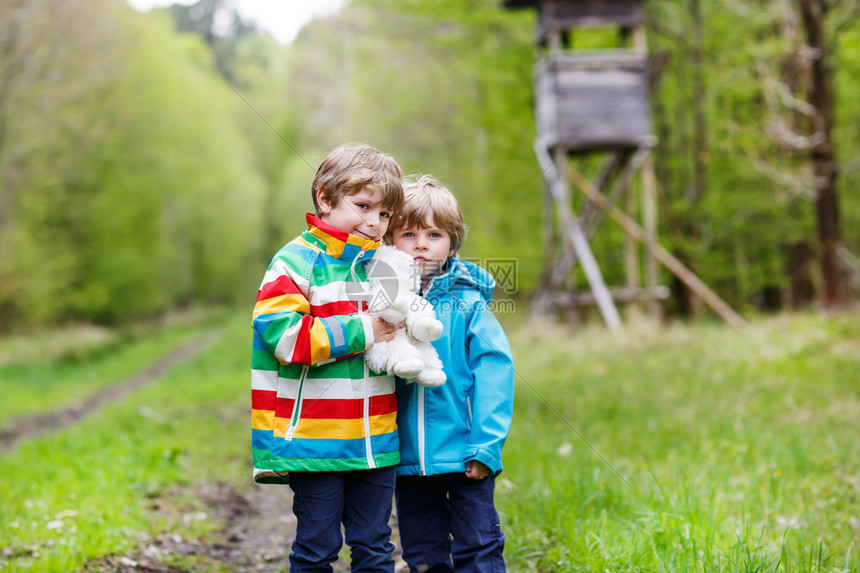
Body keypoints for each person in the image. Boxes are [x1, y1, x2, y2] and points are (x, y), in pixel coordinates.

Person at [251, 144, 406, 572]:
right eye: (363, 206)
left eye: (385, 214)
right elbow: (288, 339)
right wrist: (365, 331)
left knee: (375, 548)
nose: (375, 222)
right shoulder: (294, 262)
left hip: (375, 440)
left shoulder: (382, 267)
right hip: (314, 440)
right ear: (325, 198)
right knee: (317, 548)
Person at [386, 175, 515, 572]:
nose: (421, 244)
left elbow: (495, 372)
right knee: (422, 555)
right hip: (406, 461)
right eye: (408, 233)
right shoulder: (384, 302)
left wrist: (486, 446)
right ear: (389, 241)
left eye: (434, 234)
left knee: (479, 547)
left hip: (464, 455)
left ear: (452, 243)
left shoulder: (469, 303)